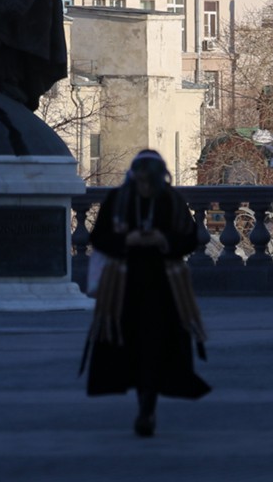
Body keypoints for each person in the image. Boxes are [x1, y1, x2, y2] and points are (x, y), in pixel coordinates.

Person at [83, 150, 209, 436]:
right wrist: (127, 240)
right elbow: (99, 237)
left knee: (154, 347)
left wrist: (163, 240)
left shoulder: (171, 200)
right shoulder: (118, 199)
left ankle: (147, 408)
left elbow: (189, 238)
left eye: (149, 181)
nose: (145, 186)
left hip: (163, 286)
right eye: (141, 180)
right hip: (124, 287)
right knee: (133, 346)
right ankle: (145, 405)